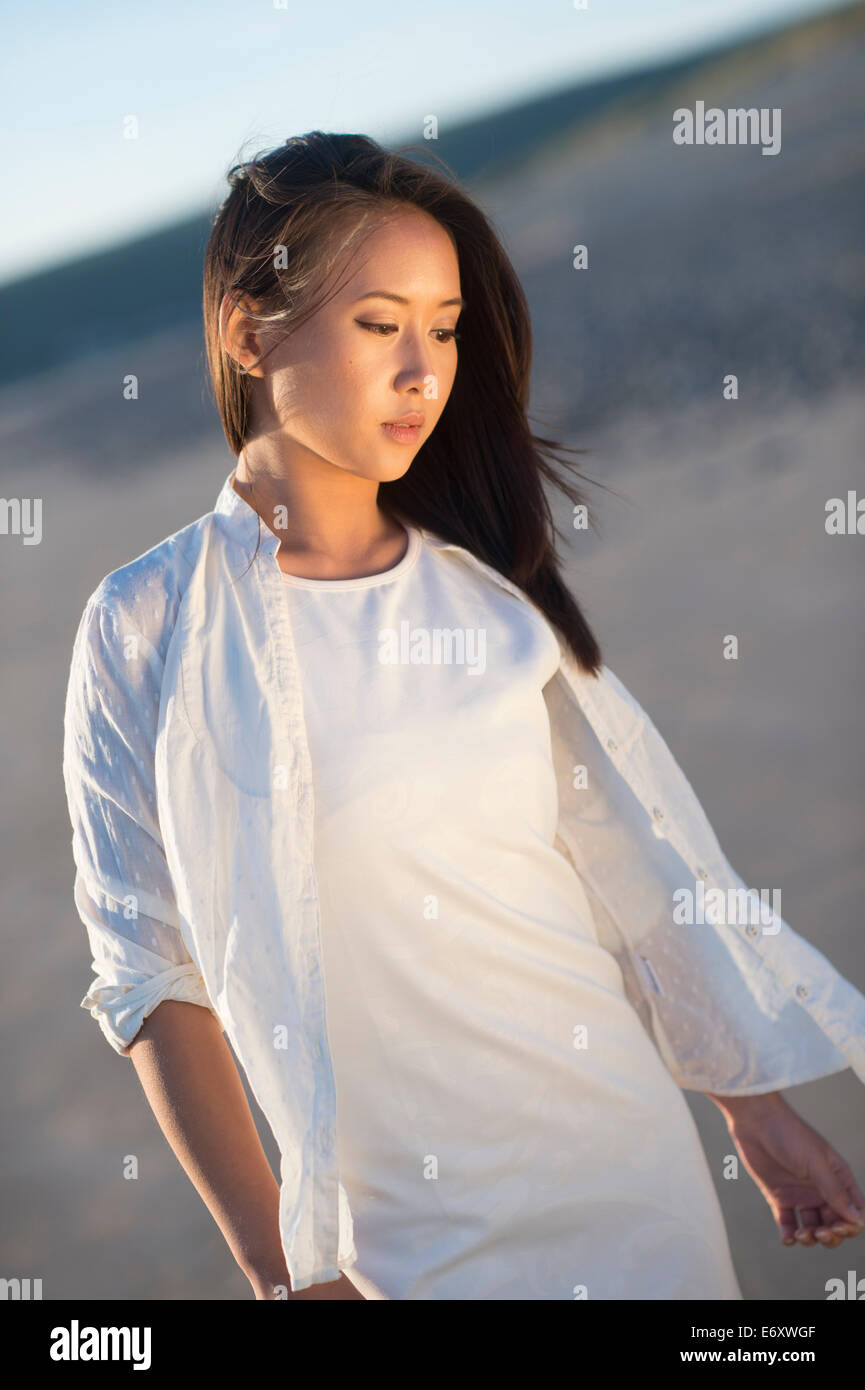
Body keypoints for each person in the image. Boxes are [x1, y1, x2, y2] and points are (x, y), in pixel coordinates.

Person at [62, 132, 865, 1301]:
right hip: (392, 1241)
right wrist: (286, 1273)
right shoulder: (146, 626)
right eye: (380, 323)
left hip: (622, 1174)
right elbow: (149, 975)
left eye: (442, 327)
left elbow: (624, 866)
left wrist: (752, 1106)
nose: (424, 369)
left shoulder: (486, 599)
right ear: (248, 331)